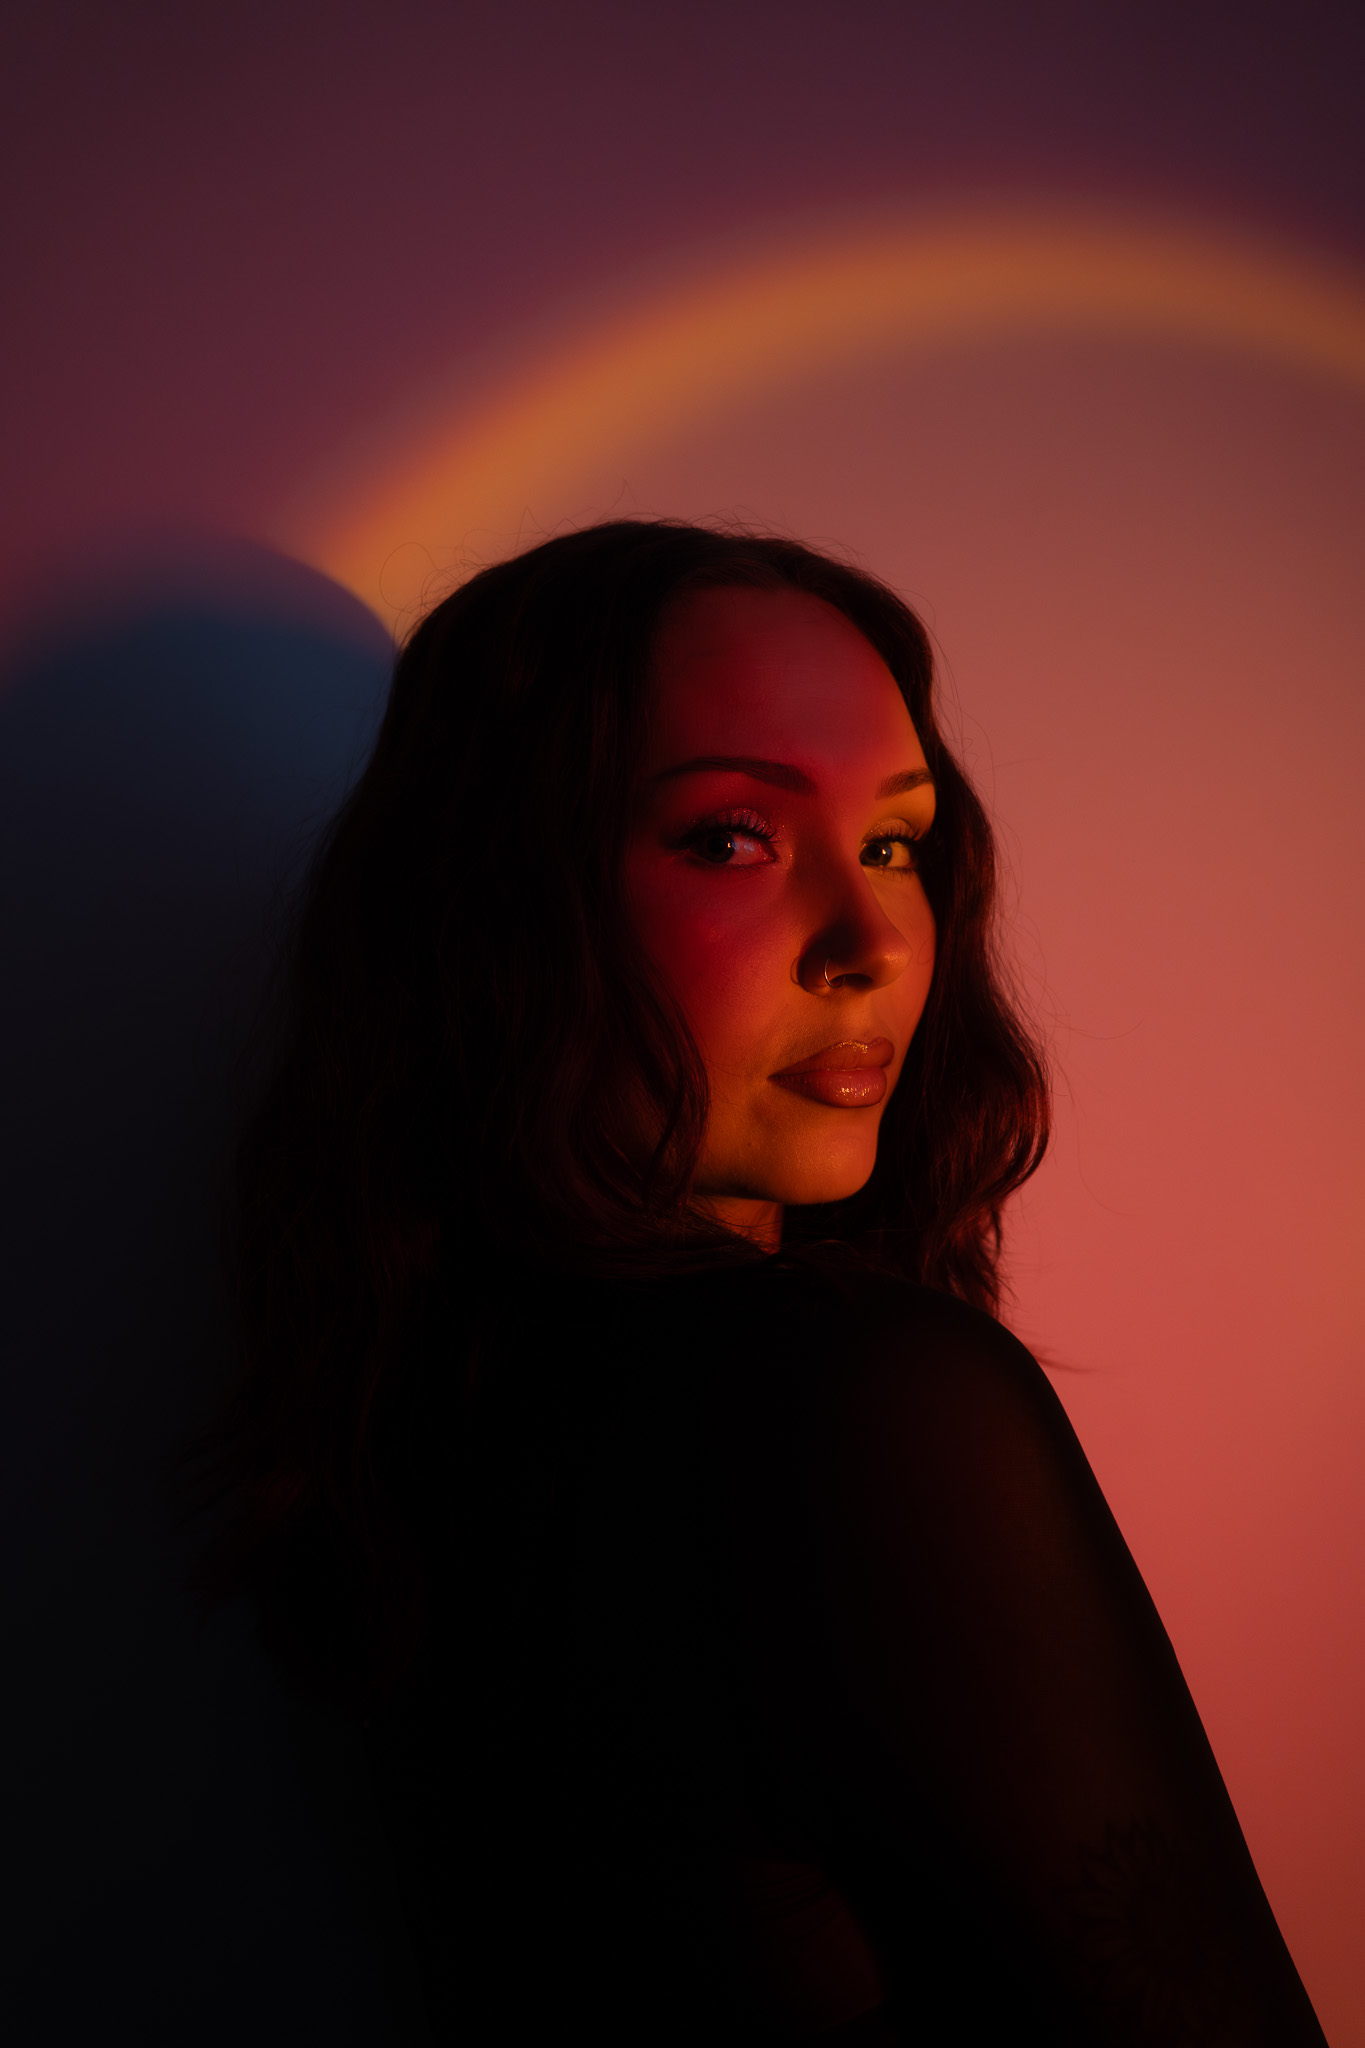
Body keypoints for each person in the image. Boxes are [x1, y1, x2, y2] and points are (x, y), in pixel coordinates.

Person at [190, 520, 1327, 2043]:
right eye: (733, 835)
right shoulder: (855, 1400)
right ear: (506, 902)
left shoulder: (419, 1401)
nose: (870, 942)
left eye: (894, 845)